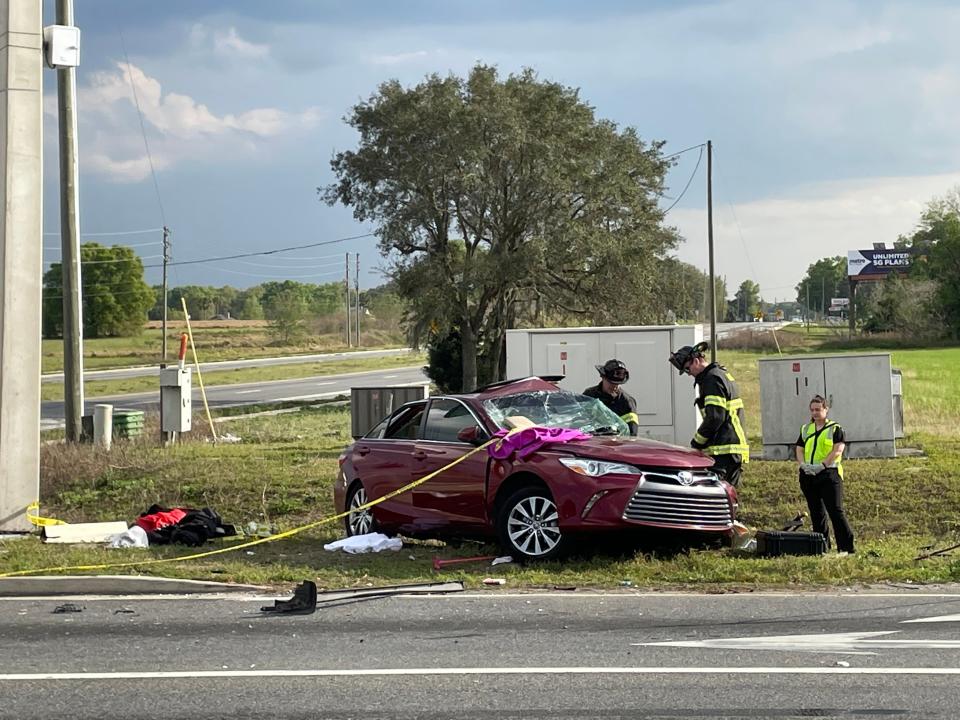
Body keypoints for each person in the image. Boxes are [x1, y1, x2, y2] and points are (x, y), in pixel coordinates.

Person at [668, 341, 749, 487]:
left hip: (724, 450)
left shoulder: (711, 379)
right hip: (731, 448)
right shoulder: (719, 373)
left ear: (697, 360)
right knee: (728, 497)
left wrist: (697, 443)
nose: (689, 374)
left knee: (717, 496)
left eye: (688, 369)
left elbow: (715, 417)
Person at [796, 394, 854, 554]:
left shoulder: (835, 428)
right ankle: (821, 548)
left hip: (829, 474)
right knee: (816, 513)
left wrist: (823, 465)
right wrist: (802, 465)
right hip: (809, 475)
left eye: (818, 409)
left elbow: (838, 450)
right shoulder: (806, 429)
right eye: (812, 410)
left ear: (826, 410)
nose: (815, 413)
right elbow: (799, 448)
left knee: (835, 511)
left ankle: (846, 548)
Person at [583, 359, 639, 436]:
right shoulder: (589, 395)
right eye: (611, 383)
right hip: (592, 443)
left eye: (618, 384)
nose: (615, 386)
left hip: (616, 445)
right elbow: (578, 421)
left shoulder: (627, 402)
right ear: (602, 377)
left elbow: (632, 433)